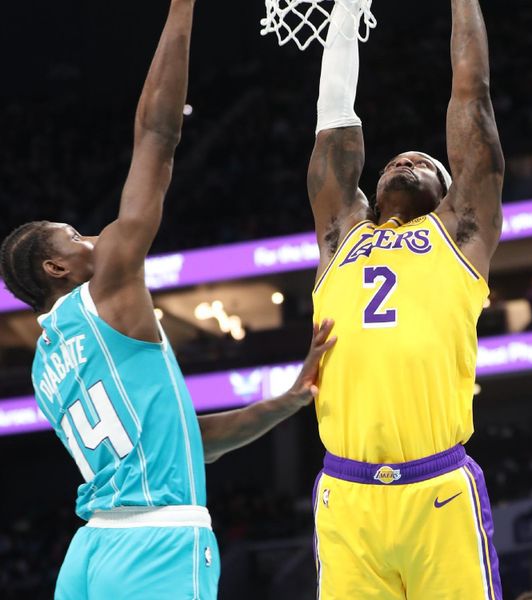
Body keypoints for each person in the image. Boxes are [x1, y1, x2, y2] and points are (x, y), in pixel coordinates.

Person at [0, 1, 336, 597]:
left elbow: (189, 441)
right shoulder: (108, 290)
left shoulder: (44, 365)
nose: (97, 237)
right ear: (57, 267)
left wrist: (287, 401)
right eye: (78, 238)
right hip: (157, 542)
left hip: (92, 549)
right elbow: (158, 133)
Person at [305, 0, 504, 597]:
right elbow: (333, 121)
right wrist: (342, 18)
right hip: (346, 497)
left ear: (450, 195)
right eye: (395, 159)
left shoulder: (461, 233)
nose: (405, 159)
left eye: (424, 161)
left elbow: (472, 96)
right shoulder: (343, 234)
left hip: (438, 487)